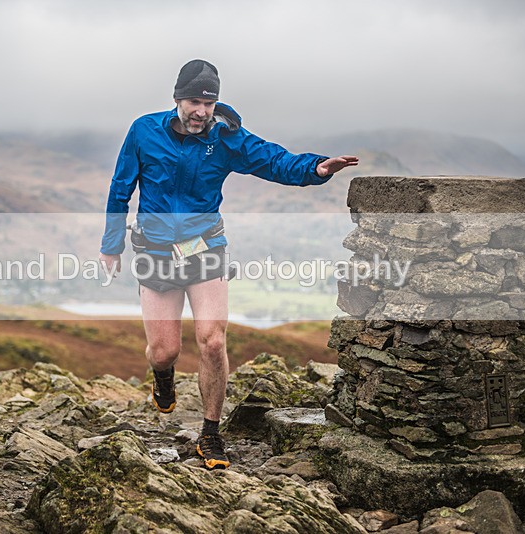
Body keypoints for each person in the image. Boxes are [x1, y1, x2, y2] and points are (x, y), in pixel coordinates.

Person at [99, 59, 357, 469]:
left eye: (209, 102)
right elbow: (120, 188)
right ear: (176, 98)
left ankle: (211, 434)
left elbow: (271, 159)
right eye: (193, 101)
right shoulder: (143, 131)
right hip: (155, 251)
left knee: (213, 341)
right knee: (164, 351)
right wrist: (111, 245)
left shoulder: (226, 137)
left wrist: (315, 167)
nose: (201, 111)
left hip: (206, 249)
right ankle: (163, 377)